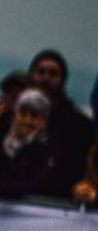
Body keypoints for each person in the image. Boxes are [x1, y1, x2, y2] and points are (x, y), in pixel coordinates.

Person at [0, 90, 69, 200]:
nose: (27, 120)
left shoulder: (50, 150)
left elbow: (35, 184)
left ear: (44, 121)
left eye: (34, 116)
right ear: (14, 115)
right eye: (23, 113)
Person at [25, 49, 96, 179]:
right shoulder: (12, 118)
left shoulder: (79, 127)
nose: (45, 78)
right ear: (31, 75)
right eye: (41, 72)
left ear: (62, 80)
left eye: (53, 74)